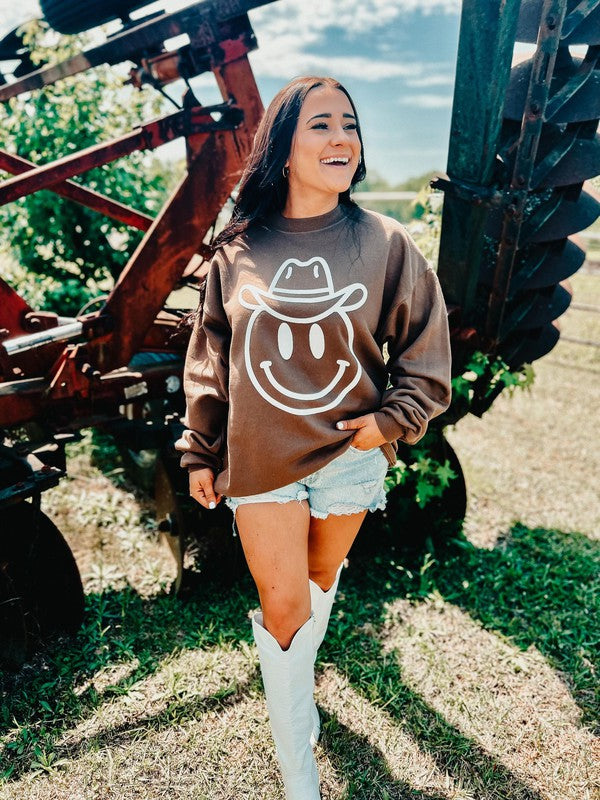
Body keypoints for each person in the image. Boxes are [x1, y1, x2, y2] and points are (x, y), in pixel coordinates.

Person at [175, 75, 452, 799]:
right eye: (321, 124)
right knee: (285, 610)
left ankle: (297, 698)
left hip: (349, 460)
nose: (341, 139)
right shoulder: (238, 251)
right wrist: (201, 448)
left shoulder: (385, 243)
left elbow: (425, 350)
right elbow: (209, 359)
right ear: (284, 146)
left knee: (318, 586)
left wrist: (389, 423)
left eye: (350, 125)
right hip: (263, 460)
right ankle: (299, 770)